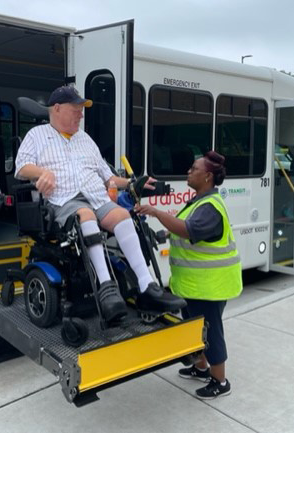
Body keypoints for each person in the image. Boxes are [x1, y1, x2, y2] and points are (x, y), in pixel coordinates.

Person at [15, 85, 185, 324]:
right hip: (64, 200)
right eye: (76, 110)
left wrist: (133, 183)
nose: (81, 115)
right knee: (86, 215)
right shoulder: (38, 135)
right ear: (57, 108)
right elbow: (21, 168)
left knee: (123, 216)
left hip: (96, 196)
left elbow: (108, 178)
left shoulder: (85, 139)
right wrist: (42, 172)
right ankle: (106, 289)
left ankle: (147, 288)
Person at [135, 150, 242, 399]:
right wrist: (161, 235)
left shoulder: (210, 207)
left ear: (207, 176)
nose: (189, 172)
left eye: (193, 169)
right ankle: (201, 367)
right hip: (194, 285)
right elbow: (183, 229)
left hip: (210, 286)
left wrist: (157, 213)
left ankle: (220, 380)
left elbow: (188, 229)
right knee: (196, 329)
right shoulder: (198, 201)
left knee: (210, 331)